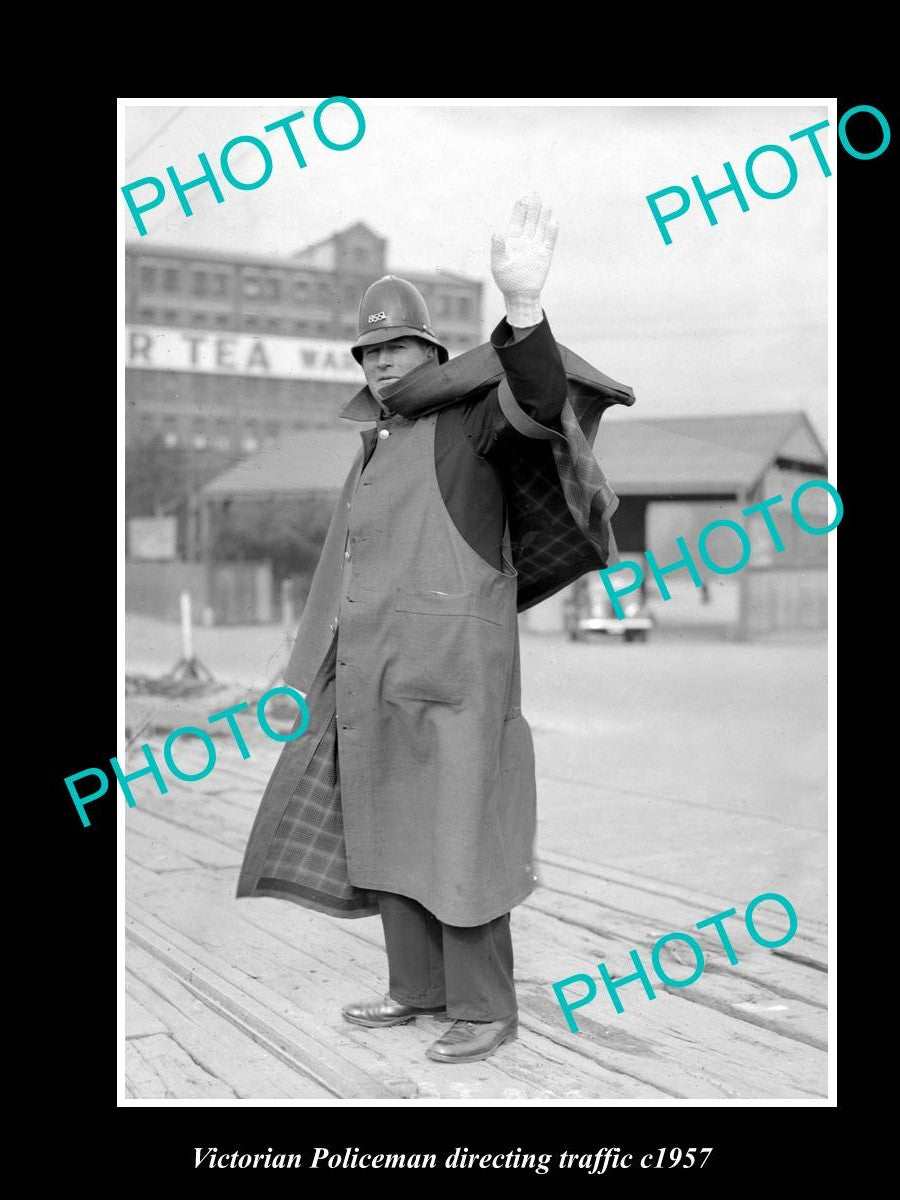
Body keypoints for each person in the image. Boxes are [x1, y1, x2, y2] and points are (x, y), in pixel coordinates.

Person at [237, 196, 635, 1064]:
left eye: (399, 348)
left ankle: (485, 1006)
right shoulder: (376, 440)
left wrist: (524, 312)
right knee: (387, 829)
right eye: (371, 351)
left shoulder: (474, 418)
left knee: (464, 834)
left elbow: (538, 399)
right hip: (377, 670)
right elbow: (347, 562)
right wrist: (308, 665)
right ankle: (414, 989)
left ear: (433, 352)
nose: (384, 363)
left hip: (458, 671)